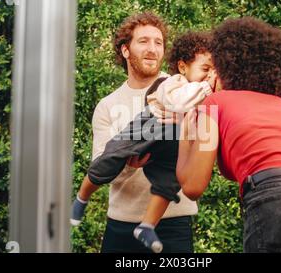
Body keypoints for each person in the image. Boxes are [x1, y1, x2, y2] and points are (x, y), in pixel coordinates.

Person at [71, 31, 215, 253]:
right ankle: (81, 198)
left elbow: (202, 157)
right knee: (108, 161)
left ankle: (147, 225)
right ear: (125, 50)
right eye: (143, 41)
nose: (152, 48)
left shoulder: (201, 98)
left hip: (175, 225)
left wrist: (191, 126)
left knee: (167, 178)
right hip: (121, 224)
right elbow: (104, 163)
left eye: (158, 42)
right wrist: (130, 166)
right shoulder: (110, 105)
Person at [176, 17, 281, 252]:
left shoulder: (215, 103)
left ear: (226, 67)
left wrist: (187, 132)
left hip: (274, 201)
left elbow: (193, 185)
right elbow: (235, 168)